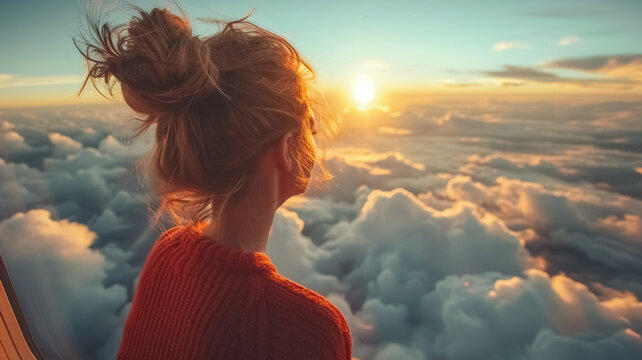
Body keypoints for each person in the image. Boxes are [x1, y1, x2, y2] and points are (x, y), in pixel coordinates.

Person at [74, 4, 351, 359]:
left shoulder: (168, 253)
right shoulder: (311, 328)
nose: (315, 137)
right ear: (285, 148)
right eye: (310, 127)